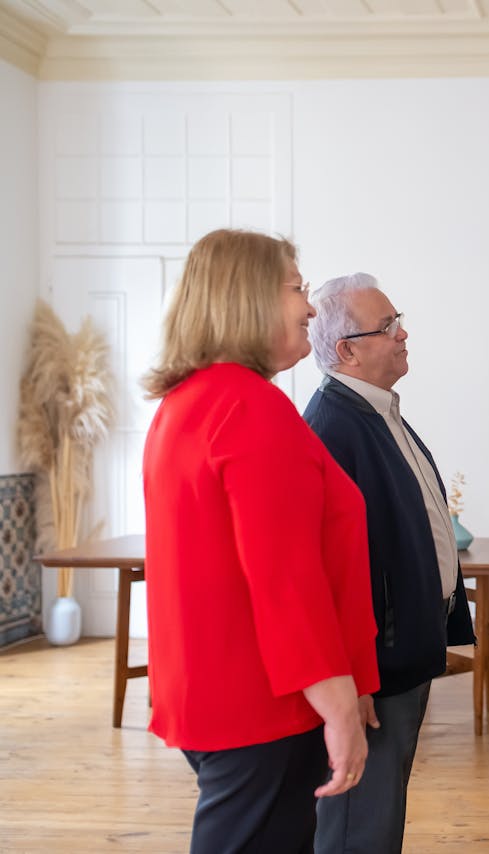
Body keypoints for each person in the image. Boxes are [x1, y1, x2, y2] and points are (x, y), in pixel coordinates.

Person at [141, 229, 381, 854]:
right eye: (298, 288)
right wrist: (338, 703)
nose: (309, 307)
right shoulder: (249, 407)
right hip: (263, 703)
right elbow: (284, 579)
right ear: (247, 297)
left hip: (216, 694)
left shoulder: (186, 402)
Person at [304, 273, 476, 854]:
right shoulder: (333, 428)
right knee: (361, 821)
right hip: (373, 668)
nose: (403, 334)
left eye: (397, 320)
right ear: (347, 350)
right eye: (388, 326)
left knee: (380, 811)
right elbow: (328, 572)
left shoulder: (375, 411)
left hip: (399, 653)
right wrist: (350, 679)